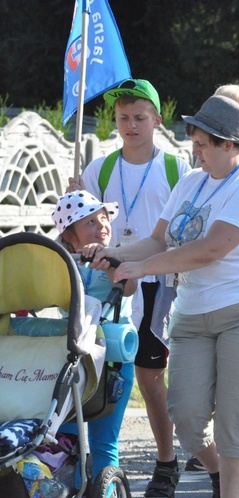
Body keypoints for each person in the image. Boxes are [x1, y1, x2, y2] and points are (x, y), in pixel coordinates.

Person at [91, 95, 239, 498]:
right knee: (187, 417)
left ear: (230, 145)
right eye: (194, 141)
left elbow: (212, 248)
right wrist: (114, 254)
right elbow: (157, 239)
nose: (194, 151)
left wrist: (143, 268)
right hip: (193, 311)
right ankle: (220, 474)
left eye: (202, 144)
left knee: (234, 416)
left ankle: (231, 492)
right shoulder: (190, 181)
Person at [68, 78, 191, 498]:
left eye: (140, 117)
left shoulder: (177, 168)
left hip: (157, 282)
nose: (131, 125)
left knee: (150, 376)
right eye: (123, 118)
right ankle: (93, 458)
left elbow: (185, 228)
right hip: (106, 285)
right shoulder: (99, 168)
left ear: (157, 119)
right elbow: (78, 228)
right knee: (99, 371)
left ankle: (166, 461)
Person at [53, 191, 137, 490]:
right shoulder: (62, 262)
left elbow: (128, 287)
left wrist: (111, 262)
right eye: (90, 221)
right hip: (74, 359)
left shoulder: (118, 256)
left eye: (104, 218)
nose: (102, 225)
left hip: (114, 359)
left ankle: (104, 490)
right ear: (69, 234)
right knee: (65, 437)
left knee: (104, 440)